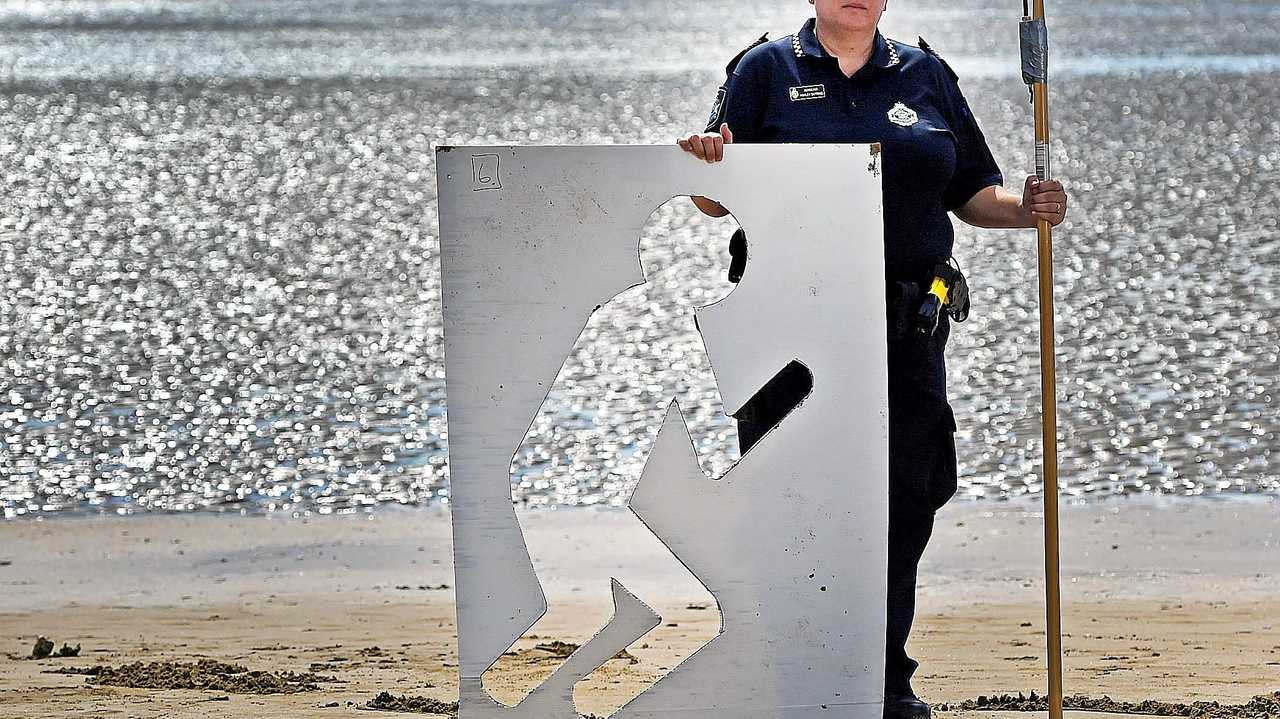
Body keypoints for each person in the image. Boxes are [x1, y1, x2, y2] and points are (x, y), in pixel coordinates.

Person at [677, 2, 1069, 719]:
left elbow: (973, 192)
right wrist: (708, 165)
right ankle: (790, 669)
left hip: (906, 328)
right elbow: (712, 199)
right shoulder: (763, 70)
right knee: (789, 501)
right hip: (787, 327)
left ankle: (882, 677)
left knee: (904, 500)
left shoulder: (925, 73)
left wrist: (1026, 207)